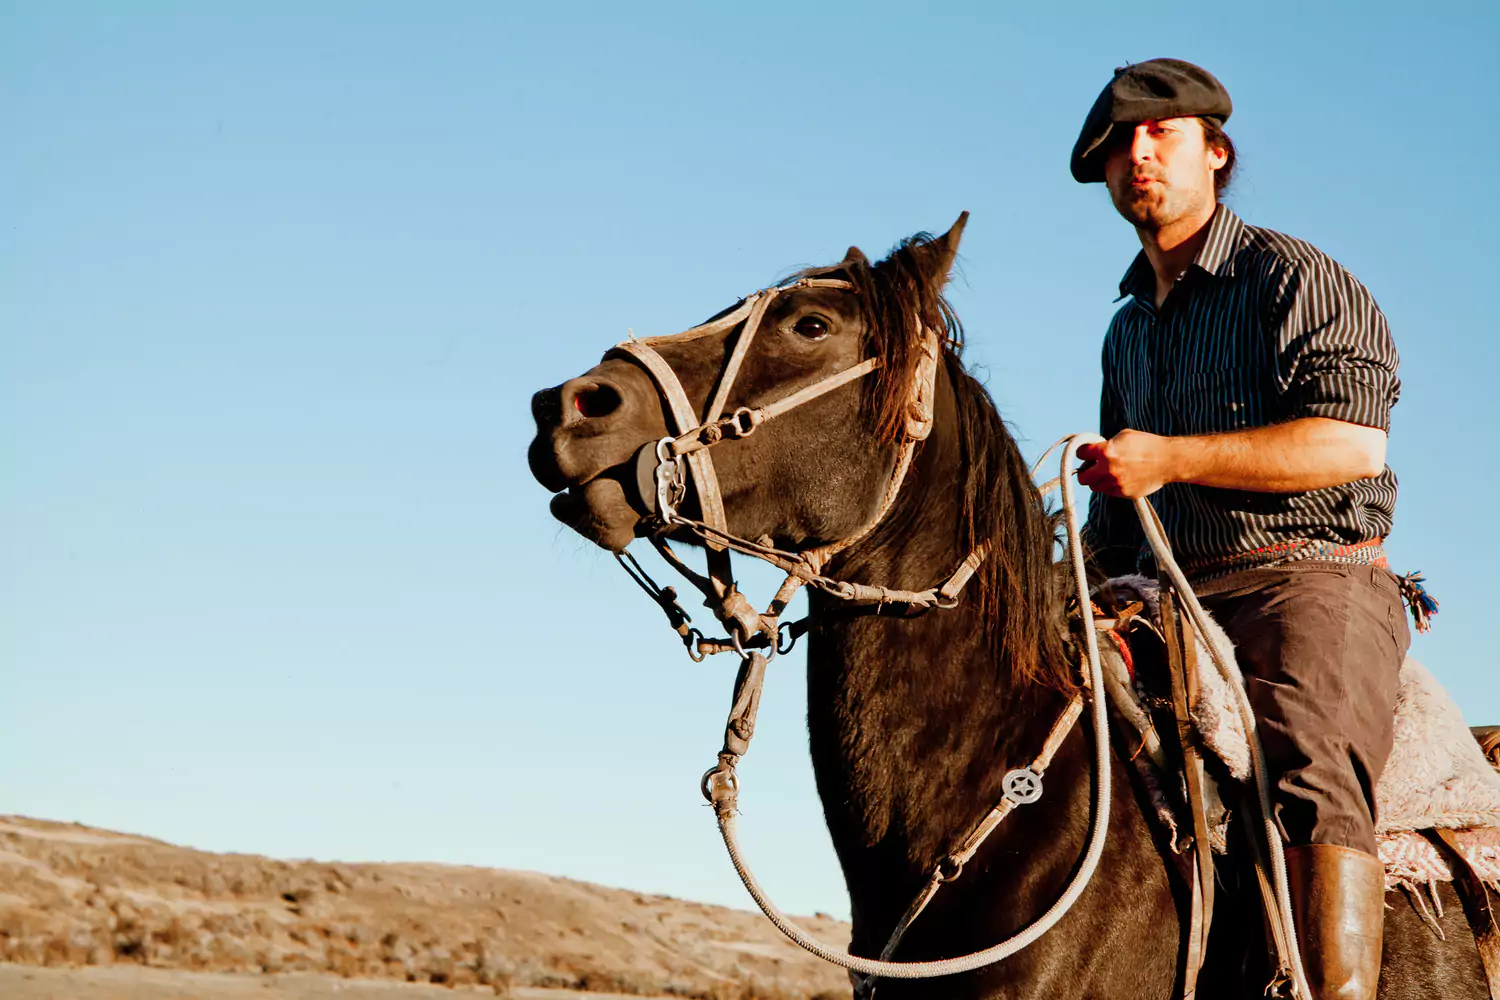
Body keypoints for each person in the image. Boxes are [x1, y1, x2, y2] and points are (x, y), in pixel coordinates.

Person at [1071, 58, 1409, 1000]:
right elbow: (1115, 512)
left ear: (1215, 152)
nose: (1137, 157)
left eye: (1161, 135)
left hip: (1306, 576)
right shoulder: (1126, 327)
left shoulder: (1294, 277)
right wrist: (1085, 593)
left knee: (1307, 751)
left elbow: (1350, 446)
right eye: (1116, 150)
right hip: (1158, 591)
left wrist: (1171, 457)